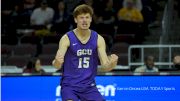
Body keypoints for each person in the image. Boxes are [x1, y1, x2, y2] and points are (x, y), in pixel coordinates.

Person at [52, 4, 118, 101]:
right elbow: (56, 65)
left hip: (89, 86)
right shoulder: (67, 38)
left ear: (91, 19)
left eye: (87, 17)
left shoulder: (98, 39)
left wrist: (112, 64)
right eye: (81, 17)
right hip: (70, 85)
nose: (84, 20)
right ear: (75, 20)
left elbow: (105, 67)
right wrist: (57, 61)